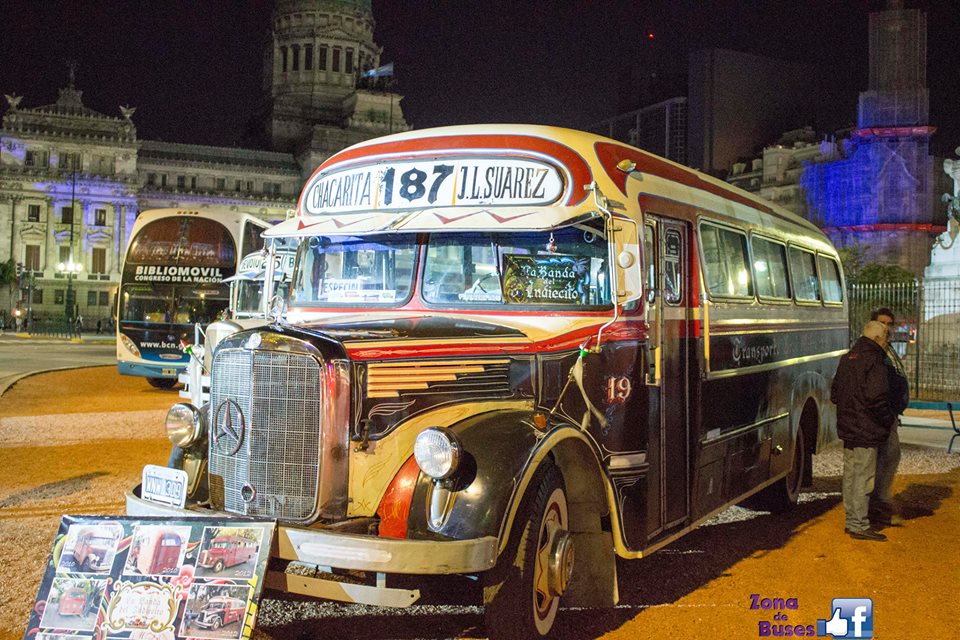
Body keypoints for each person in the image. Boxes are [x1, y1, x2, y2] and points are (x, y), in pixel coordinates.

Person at [831, 321, 898, 541]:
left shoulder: (848, 358)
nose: (887, 342)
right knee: (864, 477)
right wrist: (887, 420)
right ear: (878, 338)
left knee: (851, 475)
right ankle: (859, 524)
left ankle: (851, 521)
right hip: (867, 429)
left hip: (848, 427)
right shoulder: (875, 361)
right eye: (886, 337)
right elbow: (877, 397)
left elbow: (835, 393)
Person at [869, 307, 909, 526]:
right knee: (884, 458)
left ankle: (880, 502)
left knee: (890, 457)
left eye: (889, 323)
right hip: (882, 415)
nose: (886, 327)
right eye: (882, 322)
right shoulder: (875, 352)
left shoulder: (888, 349)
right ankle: (879, 504)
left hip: (890, 413)